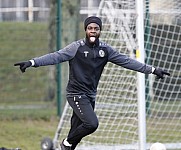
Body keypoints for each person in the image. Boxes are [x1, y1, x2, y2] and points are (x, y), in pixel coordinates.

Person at [14, 16, 170, 150]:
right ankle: (65, 143)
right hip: (76, 94)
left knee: (76, 132)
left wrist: (153, 70)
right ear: (86, 30)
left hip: (90, 96)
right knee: (91, 124)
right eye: (90, 28)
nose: (93, 30)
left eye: (96, 28)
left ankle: (67, 145)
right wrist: (32, 62)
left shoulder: (106, 50)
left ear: (100, 30)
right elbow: (55, 56)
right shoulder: (76, 48)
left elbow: (127, 61)